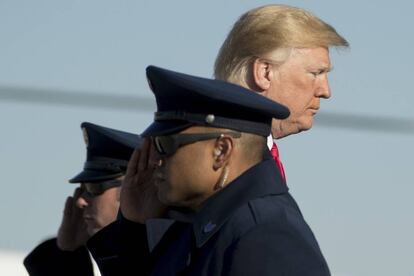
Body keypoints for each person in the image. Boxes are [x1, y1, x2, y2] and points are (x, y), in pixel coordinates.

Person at [87, 65, 330, 275]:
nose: (155, 160)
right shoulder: (202, 228)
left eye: (166, 145)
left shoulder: (266, 237)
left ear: (221, 151)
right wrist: (133, 229)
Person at [215, 4, 349, 140]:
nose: (326, 92)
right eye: (315, 73)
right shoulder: (222, 156)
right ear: (264, 73)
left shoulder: (221, 150)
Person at [24, 122, 141, 276]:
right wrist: (66, 251)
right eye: (82, 190)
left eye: (94, 188)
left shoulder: (163, 257)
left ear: (128, 190)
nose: (80, 202)